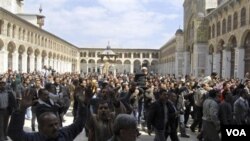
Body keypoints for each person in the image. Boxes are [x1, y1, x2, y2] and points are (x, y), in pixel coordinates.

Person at [8, 88, 88, 141]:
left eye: (56, 124)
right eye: (50, 125)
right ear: (40, 128)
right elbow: (15, 133)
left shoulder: (64, 134)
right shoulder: (35, 138)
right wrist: (21, 110)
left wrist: (82, 105)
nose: (55, 127)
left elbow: (79, 124)